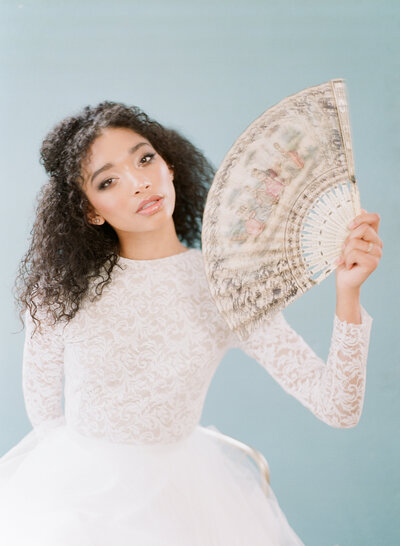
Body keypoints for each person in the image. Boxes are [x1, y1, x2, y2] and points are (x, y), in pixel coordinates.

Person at [0, 101, 382, 545]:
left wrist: (348, 293)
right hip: (81, 508)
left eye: (145, 158)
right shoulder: (61, 293)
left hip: (190, 504)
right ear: (91, 211)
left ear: (170, 166)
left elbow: (339, 407)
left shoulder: (223, 286)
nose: (140, 182)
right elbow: (46, 417)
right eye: (108, 181)